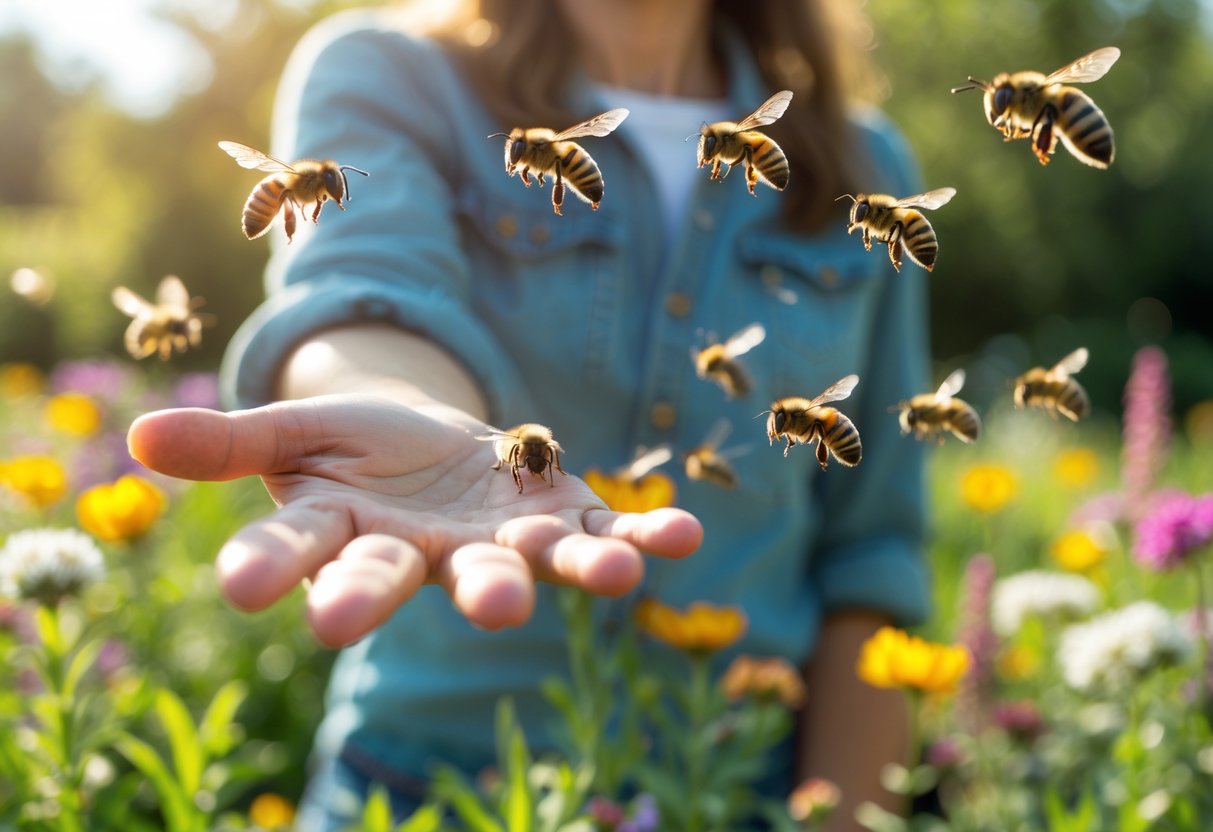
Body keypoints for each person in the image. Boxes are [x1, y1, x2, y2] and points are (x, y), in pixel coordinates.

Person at [128, 0, 931, 828]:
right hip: (428, 797)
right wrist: (397, 409)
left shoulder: (865, 164)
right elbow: (366, 291)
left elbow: (869, 550)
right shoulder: (392, 78)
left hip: (733, 795)